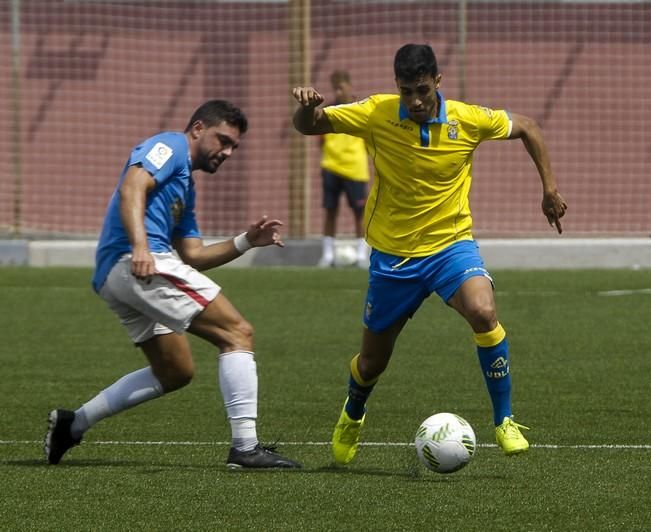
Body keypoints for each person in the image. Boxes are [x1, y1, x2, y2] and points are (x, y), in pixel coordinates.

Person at [292, 44, 567, 464]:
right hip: (394, 257)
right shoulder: (376, 113)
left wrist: (548, 189)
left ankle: (505, 420)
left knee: (484, 312)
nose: (416, 101)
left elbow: (529, 126)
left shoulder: (467, 119)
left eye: (422, 90)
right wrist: (308, 109)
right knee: (371, 363)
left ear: (438, 81)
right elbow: (310, 127)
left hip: (451, 246)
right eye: (407, 92)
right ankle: (353, 412)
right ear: (396, 87)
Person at [45, 100, 301, 469]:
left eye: (234, 147)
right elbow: (133, 186)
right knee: (237, 332)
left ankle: (73, 424)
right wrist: (140, 247)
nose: (227, 152)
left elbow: (194, 254)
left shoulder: (185, 187)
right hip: (136, 262)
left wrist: (246, 241)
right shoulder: (169, 146)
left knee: (175, 371)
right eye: (223, 140)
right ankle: (245, 448)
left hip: (118, 273)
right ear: (198, 128)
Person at [318, 70, 370, 268]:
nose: (338, 92)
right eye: (335, 88)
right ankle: (327, 255)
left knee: (359, 212)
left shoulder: (360, 109)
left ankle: (361, 254)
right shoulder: (328, 111)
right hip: (331, 167)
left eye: (341, 87)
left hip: (355, 169)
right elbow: (321, 141)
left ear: (349, 86)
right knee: (330, 210)